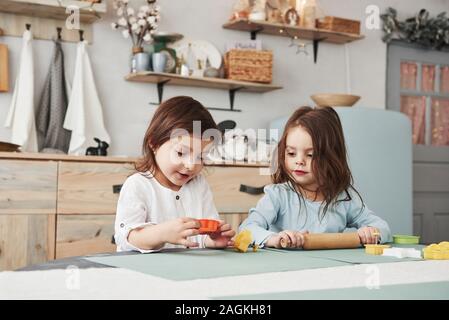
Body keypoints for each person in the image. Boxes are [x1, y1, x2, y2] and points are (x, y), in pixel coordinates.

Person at [239, 106, 392, 248]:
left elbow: (383, 228)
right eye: (291, 153)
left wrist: (372, 232)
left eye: (310, 155)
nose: (299, 161)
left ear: (332, 157)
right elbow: (246, 229)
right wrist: (274, 239)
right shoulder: (278, 195)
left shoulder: (344, 198)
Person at [114, 96, 235, 253]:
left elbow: (201, 233)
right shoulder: (138, 185)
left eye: (201, 157)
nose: (191, 165)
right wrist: (161, 233)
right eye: (180, 152)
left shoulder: (199, 185)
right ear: (154, 143)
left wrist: (212, 240)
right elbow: (127, 238)